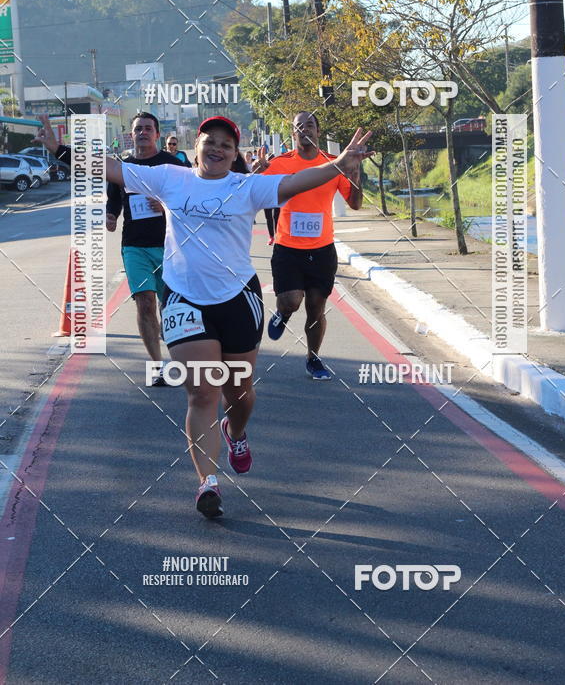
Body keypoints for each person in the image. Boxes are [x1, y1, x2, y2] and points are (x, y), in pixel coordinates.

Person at [103, 116, 372, 518]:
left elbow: (297, 182)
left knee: (239, 395)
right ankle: (207, 483)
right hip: (184, 300)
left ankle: (236, 431)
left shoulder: (246, 187)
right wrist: (62, 149)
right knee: (202, 392)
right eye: (210, 142)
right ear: (197, 145)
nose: (217, 149)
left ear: (235, 154)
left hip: (236, 300)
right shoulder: (169, 178)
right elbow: (112, 169)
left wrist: (340, 163)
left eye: (226, 146)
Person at [261, 111, 364, 380]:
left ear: (318, 132)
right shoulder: (281, 163)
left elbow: (354, 204)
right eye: (299, 126)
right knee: (292, 301)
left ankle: (314, 359)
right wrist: (257, 172)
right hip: (288, 248)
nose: (305, 129)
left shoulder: (334, 164)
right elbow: (254, 192)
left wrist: (355, 172)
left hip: (321, 249)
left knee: (316, 307)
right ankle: (282, 313)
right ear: (293, 134)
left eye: (310, 125)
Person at [106, 113, 183, 386]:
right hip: (134, 245)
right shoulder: (124, 168)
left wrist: (164, 207)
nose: (142, 133)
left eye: (148, 129)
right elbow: (114, 199)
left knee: (169, 306)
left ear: (157, 134)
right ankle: (156, 365)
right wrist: (111, 215)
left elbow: (187, 204)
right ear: (131, 133)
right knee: (145, 302)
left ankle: (177, 351)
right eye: (138, 128)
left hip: (169, 246)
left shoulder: (173, 165)